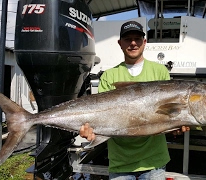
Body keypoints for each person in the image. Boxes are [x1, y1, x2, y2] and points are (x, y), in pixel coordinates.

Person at [80, 20, 189, 180]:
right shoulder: (109, 76)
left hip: (154, 161)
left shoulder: (160, 72)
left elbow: (166, 118)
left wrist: (176, 127)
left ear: (144, 42)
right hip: (120, 162)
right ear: (120, 43)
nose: (133, 43)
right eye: (127, 39)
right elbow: (102, 116)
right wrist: (91, 131)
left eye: (137, 39)